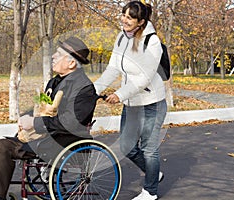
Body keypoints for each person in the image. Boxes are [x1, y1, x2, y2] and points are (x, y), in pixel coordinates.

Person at [0, 37, 98, 200]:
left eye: (58, 54)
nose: (53, 56)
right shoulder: (54, 82)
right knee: (0, 147)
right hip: (45, 136)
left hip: (65, 142)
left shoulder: (84, 88)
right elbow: (41, 107)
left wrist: (35, 123)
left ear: (71, 63)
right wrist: (26, 117)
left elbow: (70, 122)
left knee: (5, 148)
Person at [94, 1, 167, 200]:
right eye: (123, 15)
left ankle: (150, 192)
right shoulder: (121, 38)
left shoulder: (152, 42)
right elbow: (113, 68)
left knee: (149, 149)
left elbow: (144, 77)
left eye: (129, 17)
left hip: (152, 102)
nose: (124, 20)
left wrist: (120, 94)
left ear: (141, 22)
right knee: (126, 146)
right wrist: (94, 89)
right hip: (132, 103)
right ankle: (154, 173)